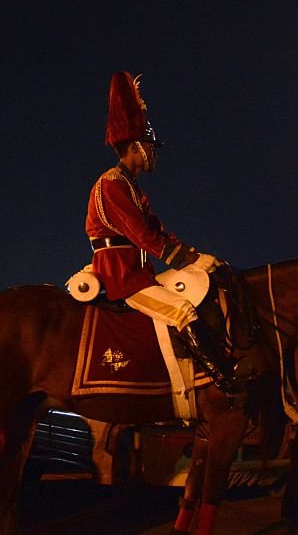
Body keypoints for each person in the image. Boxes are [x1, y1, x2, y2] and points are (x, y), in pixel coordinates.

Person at [85, 72, 231, 387]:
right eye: (151, 147)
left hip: (141, 274)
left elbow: (161, 233)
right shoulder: (112, 184)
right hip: (123, 279)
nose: (155, 154)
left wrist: (197, 258)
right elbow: (143, 237)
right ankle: (224, 381)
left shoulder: (133, 189)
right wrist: (186, 260)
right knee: (183, 311)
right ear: (137, 147)